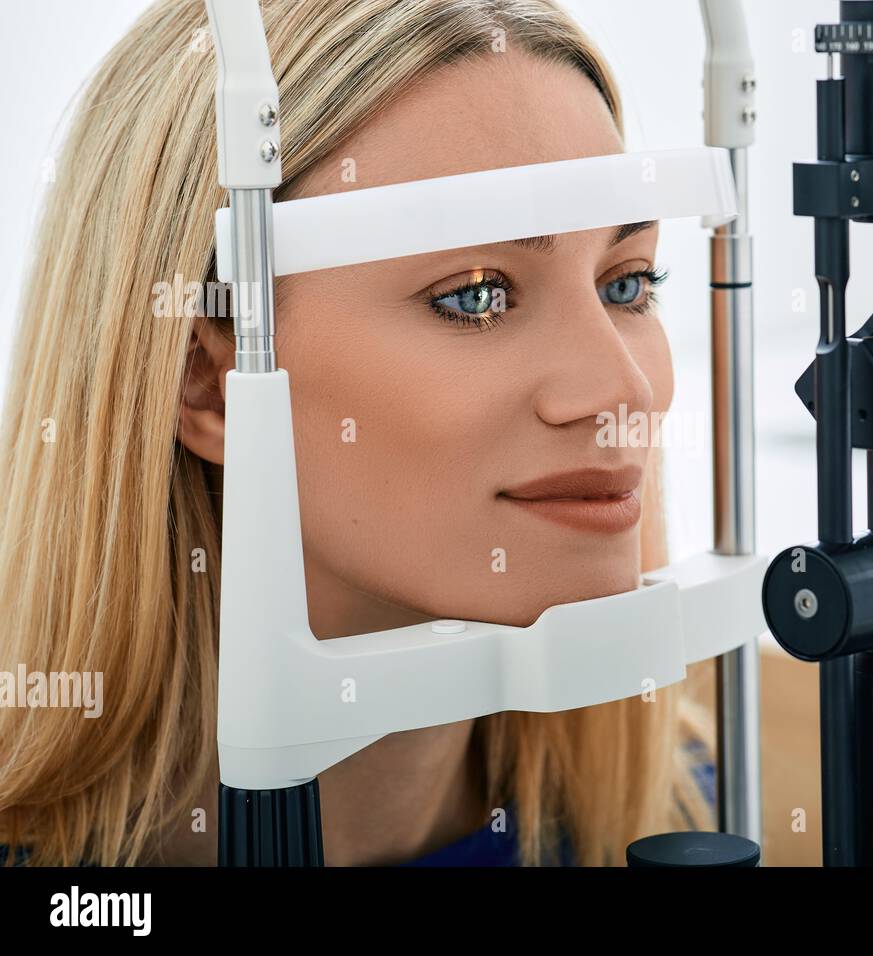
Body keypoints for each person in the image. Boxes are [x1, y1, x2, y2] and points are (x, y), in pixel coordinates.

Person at [0, 0, 716, 867]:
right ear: (207, 380)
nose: (624, 389)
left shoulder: (686, 807)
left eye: (627, 285)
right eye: (477, 295)